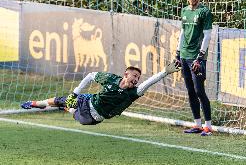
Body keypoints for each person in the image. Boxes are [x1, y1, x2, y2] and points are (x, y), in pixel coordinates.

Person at [21, 61, 181, 125]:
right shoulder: (111, 78)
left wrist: (164, 72)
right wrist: (76, 92)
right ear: (126, 74)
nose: (136, 80)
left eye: (138, 78)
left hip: (92, 116)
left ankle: (63, 107)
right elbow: (91, 76)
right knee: (61, 99)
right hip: (89, 99)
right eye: (134, 76)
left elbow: (149, 82)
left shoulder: (134, 92)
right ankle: (37, 104)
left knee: (69, 108)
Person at [176, 0, 213, 136]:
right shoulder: (184, 11)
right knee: (191, 91)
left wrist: (200, 57)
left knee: (199, 91)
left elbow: (207, 35)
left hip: (197, 58)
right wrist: (178, 54)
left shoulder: (205, 12)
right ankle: (197, 125)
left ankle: (208, 127)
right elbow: (183, 33)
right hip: (184, 56)